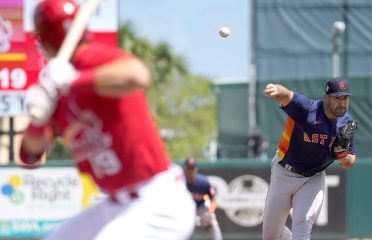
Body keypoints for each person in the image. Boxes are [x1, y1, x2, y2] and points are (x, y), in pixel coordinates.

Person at [18, 0, 195, 239]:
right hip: (116, 205)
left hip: (157, 203)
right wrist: (39, 117)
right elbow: (29, 154)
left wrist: (73, 82)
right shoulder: (55, 85)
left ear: (44, 38)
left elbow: (137, 75)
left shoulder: (88, 60)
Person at [262, 77, 357, 240]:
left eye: (345, 98)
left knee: (303, 225)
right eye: (337, 98)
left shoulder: (346, 124)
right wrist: (277, 89)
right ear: (326, 97)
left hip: (313, 179)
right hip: (283, 172)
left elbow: (350, 162)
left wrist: (341, 155)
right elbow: (287, 95)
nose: (342, 103)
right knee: (271, 235)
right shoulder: (308, 109)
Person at [183, 157, 223, 240]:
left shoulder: (203, 182)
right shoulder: (180, 181)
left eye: (192, 168)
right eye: (189, 168)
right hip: (183, 208)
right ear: (185, 169)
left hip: (200, 207)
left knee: (213, 222)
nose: (191, 171)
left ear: (196, 169)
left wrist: (210, 211)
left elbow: (214, 197)